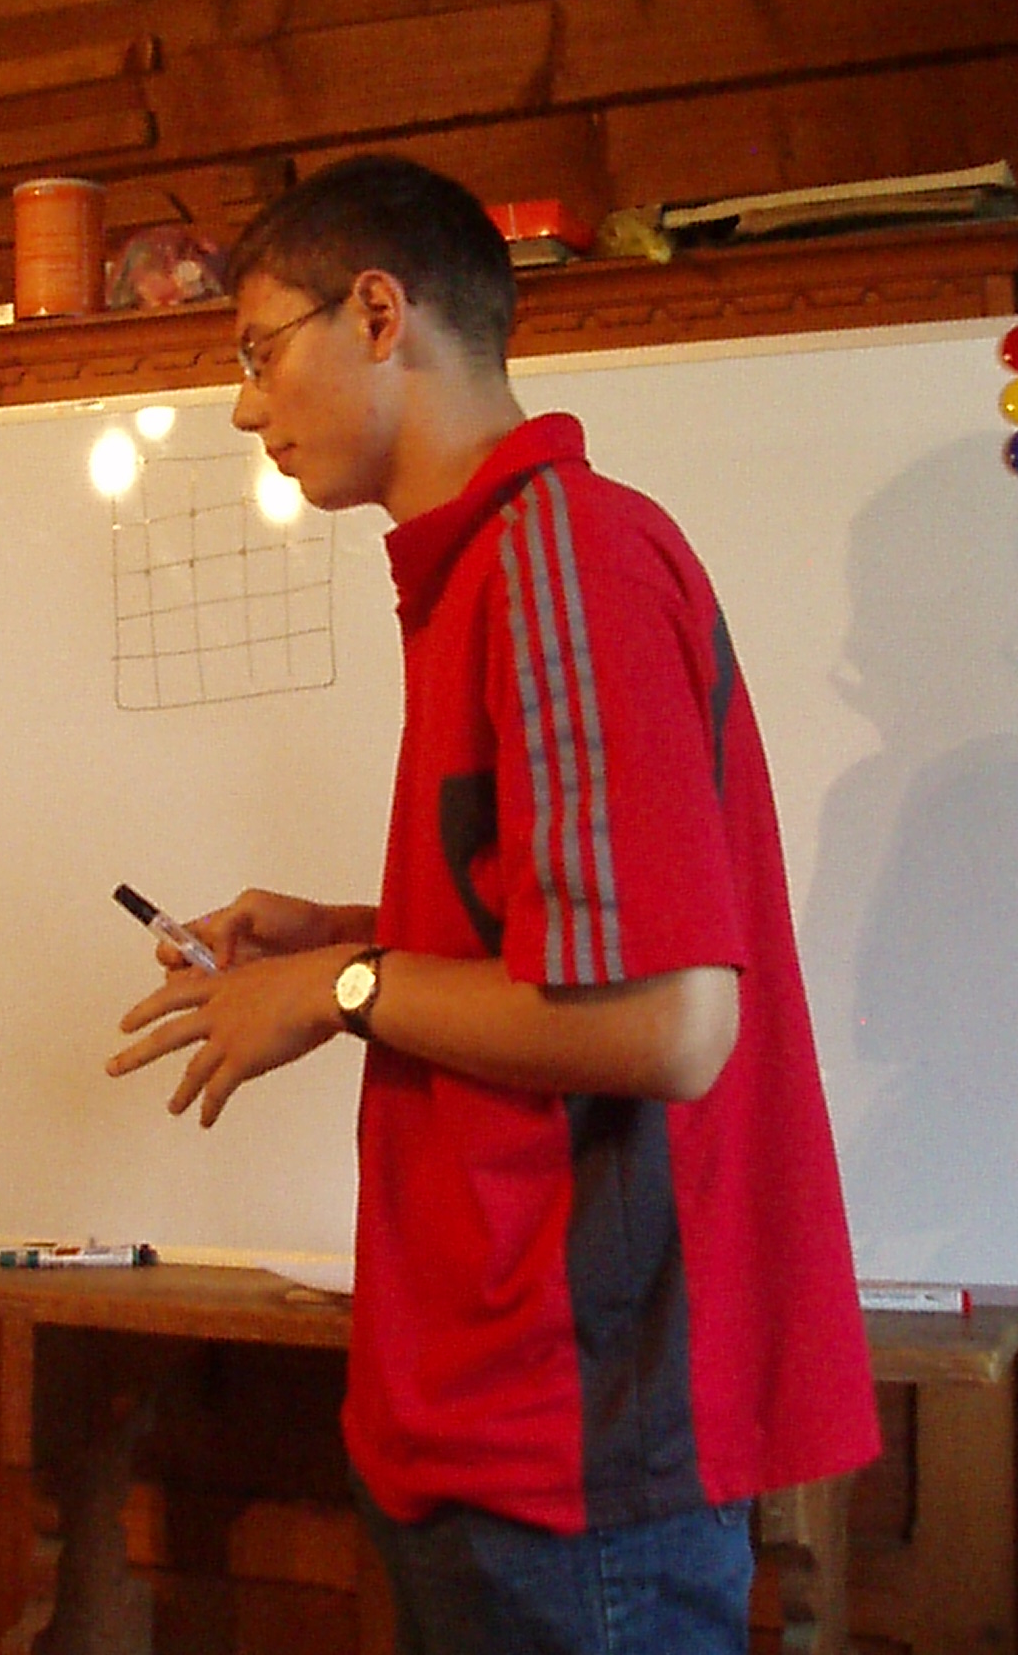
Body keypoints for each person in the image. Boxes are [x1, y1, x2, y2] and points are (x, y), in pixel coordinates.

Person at [106, 154, 880, 1654]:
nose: (246, 408)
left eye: (258, 352)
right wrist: (341, 936)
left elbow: (668, 1024)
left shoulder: (562, 561)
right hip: (500, 1425)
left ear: (377, 314)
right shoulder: (490, 571)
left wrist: (336, 990)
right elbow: (558, 940)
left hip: (571, 1450)